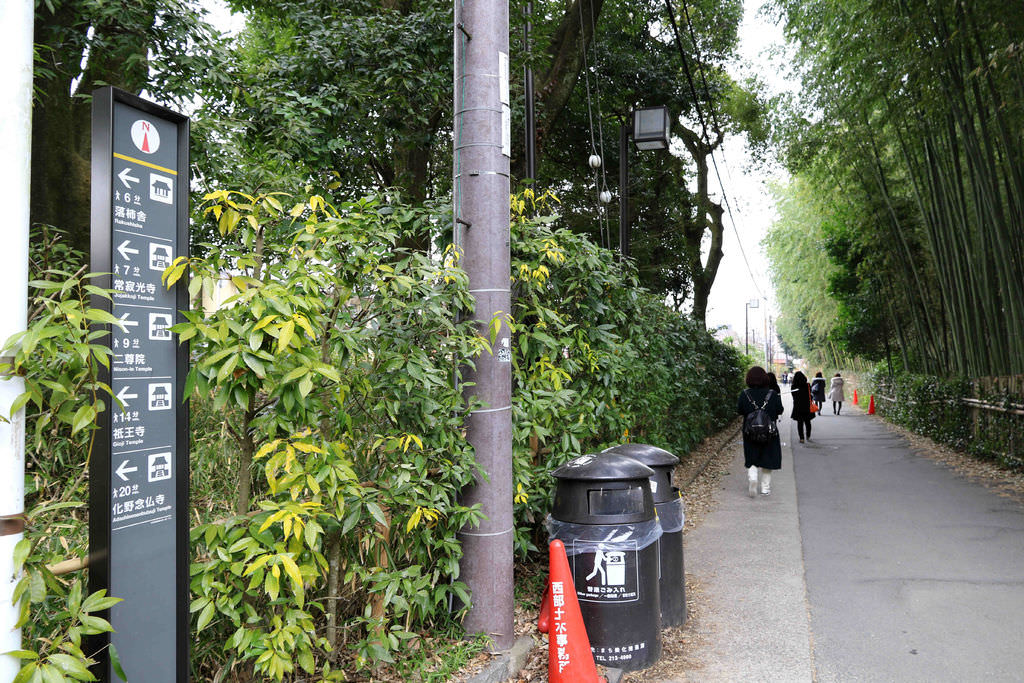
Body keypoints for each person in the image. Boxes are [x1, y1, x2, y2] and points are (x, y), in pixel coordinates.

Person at [737, 366, 784, 496]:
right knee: (768, 457)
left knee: (751, 455)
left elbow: (740, 410)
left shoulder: (744, 394)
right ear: (765, 378)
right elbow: (780, 410)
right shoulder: (772, 394)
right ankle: (765, 488)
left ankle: (753, 478)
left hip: (750, 431)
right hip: (769, 431)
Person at [790, 370, 816, 443]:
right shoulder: (807, 385)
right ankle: (808, 435)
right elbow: (810, 395)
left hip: (798, 406)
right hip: (807, 406)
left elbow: (793, 396)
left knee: (800, 423)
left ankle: (801, 438)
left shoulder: (793, 386)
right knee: (808, 422)